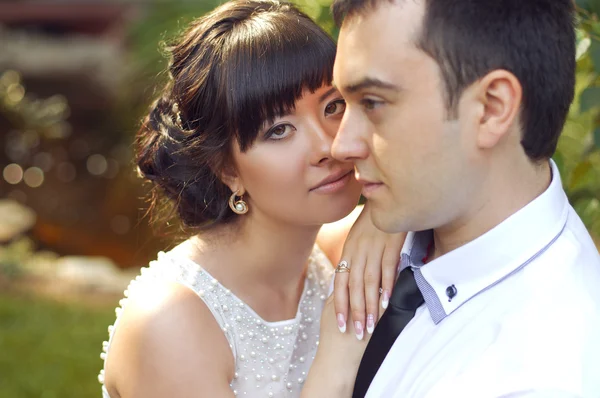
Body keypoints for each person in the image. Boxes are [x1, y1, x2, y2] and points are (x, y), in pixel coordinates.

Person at [98, 1, 402, 397]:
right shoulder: (172, 322)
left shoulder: (340, 248)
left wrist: (383, 218)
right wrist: (337, 363)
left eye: (333, 106)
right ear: (227, 169)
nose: (329, 144)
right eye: (278, 130)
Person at [323, 0, 600, 396]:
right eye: (342, 104)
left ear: (490, 109)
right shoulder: (424, 215)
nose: (341, 145)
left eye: (373, 102)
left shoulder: (539, 371)